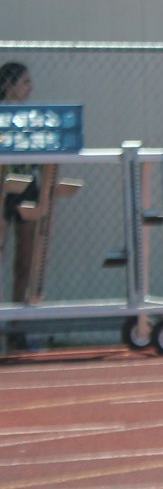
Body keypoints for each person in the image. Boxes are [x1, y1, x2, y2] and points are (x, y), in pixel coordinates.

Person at [1, 61, 55, 351]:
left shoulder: (32, 118)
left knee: (25, 262)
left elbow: (43, 152)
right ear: (8, 87)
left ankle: (16, 327)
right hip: (1, 190)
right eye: (24, 83)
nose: (29, 89)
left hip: (25, 190)